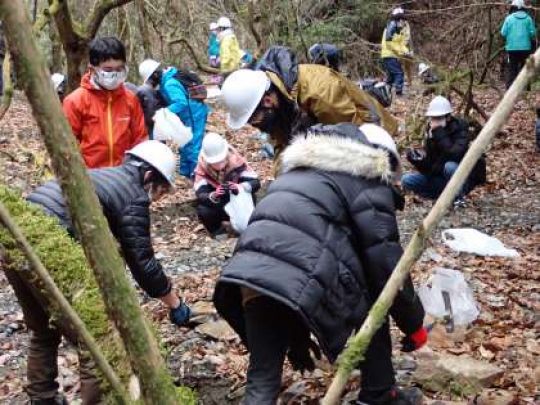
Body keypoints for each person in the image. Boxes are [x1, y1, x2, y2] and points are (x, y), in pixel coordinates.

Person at [213, 123, 427, 405]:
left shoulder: (295, 175)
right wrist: (414, 324)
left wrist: (293, 337)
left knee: (262, 379)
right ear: (379, 159)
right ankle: (379, 394)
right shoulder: (367, 181)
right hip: (298, 278)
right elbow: (387, 267)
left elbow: (286, 256)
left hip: (248, 279)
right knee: (374, 301)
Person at [6, 141, 191, 405]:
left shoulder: (101, 177)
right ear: (149, 176)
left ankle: (42, 397)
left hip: (15, 238)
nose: (157, 199)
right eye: (161, 191)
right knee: (98, 339)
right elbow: (143, 262)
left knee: (43, 330)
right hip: (49, 244)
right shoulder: (132, 194)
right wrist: (175, 303)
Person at [221, 46, 399, 159]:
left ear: (267, 101)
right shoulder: (277, 105)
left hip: (371, 136)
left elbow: (355, 139)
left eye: (254, 120)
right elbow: (281, 146)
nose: (256, 126)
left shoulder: (320, 92)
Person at [62, 37, 147, 169]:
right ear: (92, 68)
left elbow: (140, 140)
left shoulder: (130, 99)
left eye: (119, 69)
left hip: (123, 177)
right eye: (108, 69)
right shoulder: (75, 101)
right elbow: (67, 146)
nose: (114, 74)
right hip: (90, 178)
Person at [402, 96, 486, 203]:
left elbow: (454, 154)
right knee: (407, 179)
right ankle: (441, 197)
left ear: (448, 118)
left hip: (462, 177)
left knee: (449, 166)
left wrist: (439, 132)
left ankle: (458, 197)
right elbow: (432, 168)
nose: (434, 122)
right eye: (433, 118)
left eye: (438, 118)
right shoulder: (431, 132)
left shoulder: (460, 128)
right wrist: (418, 160)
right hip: (442, 179)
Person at [138, 58, 209, 178]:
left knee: (192, 145)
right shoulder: (167, 80)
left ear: (155, 74)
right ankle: (185, 172)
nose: (150, 83)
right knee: (185, 142)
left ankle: (196, 175)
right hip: (187, 115)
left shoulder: (169, 83)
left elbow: (181, 103)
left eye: (150, 80)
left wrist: (164, 112)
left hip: (194, 114)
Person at [194, 132, 260, 237]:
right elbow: (200, 193)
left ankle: (248, 225)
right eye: (215, 163)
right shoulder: (202, 167)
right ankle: (219, 232)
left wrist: (241, 187)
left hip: (237, 201)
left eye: (221, 161)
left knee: (251, 196)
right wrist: (214, 195)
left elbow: (255, 183)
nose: (219, 165)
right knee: (203, 209)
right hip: (219, 205)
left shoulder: (236, 160)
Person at [500, 0, 536, 89]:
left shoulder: (508, 18)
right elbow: (533, 33)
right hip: (526, 48)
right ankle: (526, 89)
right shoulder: (528, 18)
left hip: (512, 48)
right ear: (523, 8)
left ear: (513, 7)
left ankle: (509, 88)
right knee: (525, 68)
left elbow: (503, 33)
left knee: (512, 69)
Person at [380, 7, 409, 96]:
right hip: (388, 54)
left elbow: (401, 44)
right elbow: (388, 43)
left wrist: (406, 52)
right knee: (399, 73)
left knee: (391, 75)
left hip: (393, 55)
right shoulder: (391, 26)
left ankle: (386, 91)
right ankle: (399, 92)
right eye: (402, 19)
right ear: (398, 19)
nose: (404, 22)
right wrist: (400, 51)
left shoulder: (400, 28)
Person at [137, 59, 167, 137]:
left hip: (156, 130)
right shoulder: (145, 91)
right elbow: (151, 114)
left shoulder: (154, 90)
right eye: (156, 71)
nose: (160, 73)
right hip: (151, 130)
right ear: (153, 74)